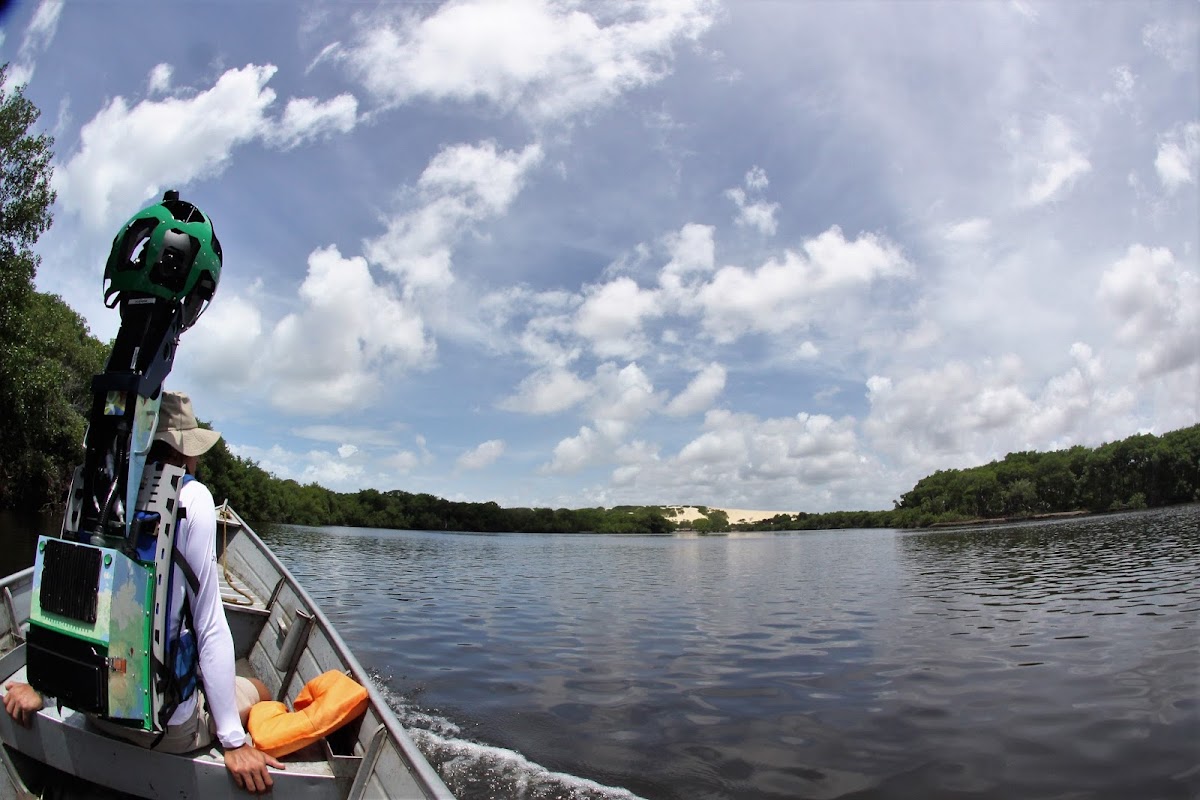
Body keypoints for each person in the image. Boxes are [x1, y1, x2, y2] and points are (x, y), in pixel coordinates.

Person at [3, 391, 283, 794]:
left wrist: (40, 684)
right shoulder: (192, 497)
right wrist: (234, 742)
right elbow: (210, 626)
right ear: (183, 452)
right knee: (257, 690)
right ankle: (238, 722)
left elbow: (64, 598)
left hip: (89, 704)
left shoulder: (95, 489)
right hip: (162, 727)